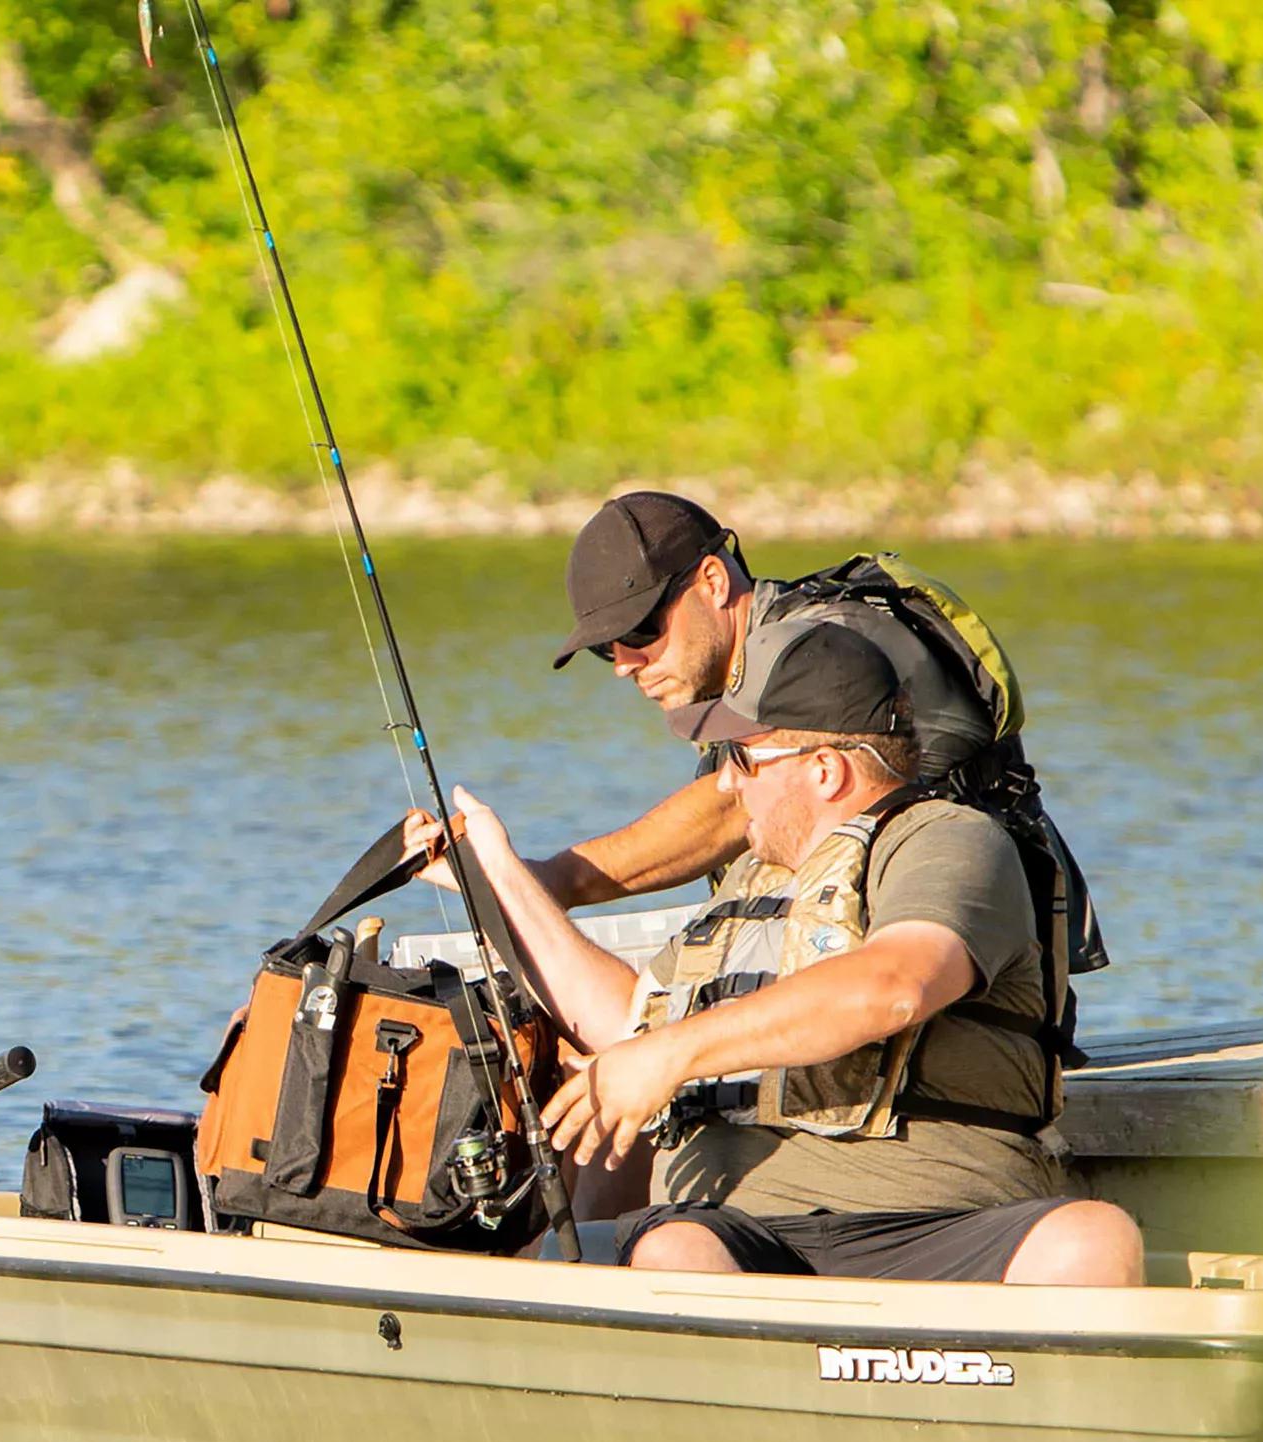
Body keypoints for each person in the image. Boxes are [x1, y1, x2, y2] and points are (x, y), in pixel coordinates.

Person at [408, 618, 1143, 1286]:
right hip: (744, 1232)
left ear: (826, 769)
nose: (724, 782)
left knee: (1092, 1238)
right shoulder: (750, 882)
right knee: (674, 1253)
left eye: (741, 757)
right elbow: (632, 1025)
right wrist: (499, 875)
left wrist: (670, 1056)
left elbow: (893, 985)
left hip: (944, 1226)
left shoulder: (945, 839)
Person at [532, 493, 1102, 988]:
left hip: (967, 988)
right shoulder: (747, 677)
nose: (625, 664)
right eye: (607, 648)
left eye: (640, 630)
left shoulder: (819, 648)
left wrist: (550, 881)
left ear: (712, 582)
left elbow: (728, 811)